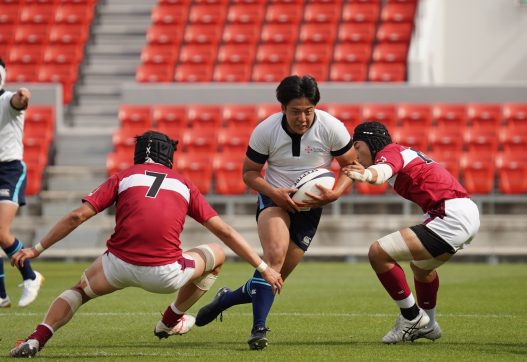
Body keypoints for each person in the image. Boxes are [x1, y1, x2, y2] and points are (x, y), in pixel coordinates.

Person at [9, 130, 283, 358]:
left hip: (116, 266)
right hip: (165, 275)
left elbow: (77, 216)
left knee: (79, 291)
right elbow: (223, 230)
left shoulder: (124, 177)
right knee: (217, 255)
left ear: (138, 153)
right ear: (169, 156)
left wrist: (37, 249)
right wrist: (263, 266)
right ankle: (170, 320)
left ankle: (35, 339)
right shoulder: (184, 185)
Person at [195, 75, 356, 350]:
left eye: (308, 111)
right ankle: (259, 329)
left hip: (311, 206)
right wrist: (273, 193)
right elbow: (249, 173)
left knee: (274, 278)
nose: (303, 118)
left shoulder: (332, 128)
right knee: (274, 259)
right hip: (274, 199)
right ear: (282, 108)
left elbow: (352, 167)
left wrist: (336, 193)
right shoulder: (266, 131)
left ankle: (227, 299)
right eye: (296, 112)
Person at [343, 121, 480, 344]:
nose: (356, 155)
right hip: (464, 212)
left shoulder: (390, 151)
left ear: (369, 143)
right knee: (422, 269)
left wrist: (367, 175)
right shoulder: (400, 151)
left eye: (357, 147)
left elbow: (381, 173)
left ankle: (412, 317)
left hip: (451, 215)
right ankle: (430, 325)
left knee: (378, 253)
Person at [0, 58, 44, 308]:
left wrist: (24, 95)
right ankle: (1, 295)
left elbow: (20, 100)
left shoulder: (7, 100)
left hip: (9, 169)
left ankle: (30, 275)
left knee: (1, 230)